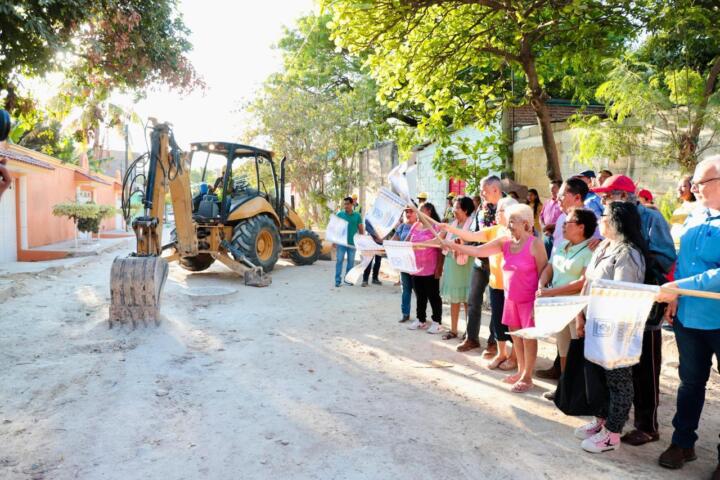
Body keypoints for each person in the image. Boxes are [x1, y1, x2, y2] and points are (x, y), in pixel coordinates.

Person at [593, 174, 676, 446]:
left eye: (609, 195)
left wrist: (636, 257)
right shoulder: (611, 222)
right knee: (620, 367)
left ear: (625, 194)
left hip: (644, 307)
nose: (603, 200)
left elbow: (665, 258)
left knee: (645, 370)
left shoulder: (651, 218)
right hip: (617, 310)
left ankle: (647, 425)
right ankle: (616, 419)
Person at [655, 155, 720, 477]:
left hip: (718, 317)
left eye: (701, 182)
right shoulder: (695, 216)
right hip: (689, 318)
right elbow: (683, 261)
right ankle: (683, 442)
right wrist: (675, 297)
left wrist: (679, 286)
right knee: (690, 383)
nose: (693, 187)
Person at [446, 204, 547, 393]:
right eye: (508, 221)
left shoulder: (535, 244)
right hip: (511, 299)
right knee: (516, 337)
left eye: (512, 221)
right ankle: (520, 371)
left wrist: (539, 298)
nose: (508, 225)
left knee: (529, 338)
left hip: (529, 301)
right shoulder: (505, 242)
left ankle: (527, 376)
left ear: (526, 223)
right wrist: (452, 244)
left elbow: (544, 272)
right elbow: (478, 251)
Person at [574, 201, 648, 453]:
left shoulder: (628, 253)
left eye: (603, 215)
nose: (599, 220)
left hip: (615, 328)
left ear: (616, 221)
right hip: (594, 322)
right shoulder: (604, 246)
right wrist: (581, 316)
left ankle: (613, 433)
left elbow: (622, 295)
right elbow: (588, 282)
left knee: (618, 379)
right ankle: (602, 420)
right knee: (597, 376)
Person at [536, 208, 597, 375]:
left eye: (567, 223)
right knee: (562, 350)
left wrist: (550, 292)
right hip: (558, 304)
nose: (562, 226)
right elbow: (549, 268)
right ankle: (564, 391)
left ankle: (576, 395)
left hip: (576, 307)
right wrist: (542, 284)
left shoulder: (590, 250)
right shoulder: (562, 245)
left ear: (581, 227)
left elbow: (582, 282)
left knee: (576, 352)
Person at [452, 176, 501, 354]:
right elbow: (474, 233)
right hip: (480, 262)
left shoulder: (506, 208)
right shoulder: (481, 208)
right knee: (473, 301)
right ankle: (471, 338)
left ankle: (494, 342)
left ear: (495, 189)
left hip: (498, 264)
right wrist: (463, 241)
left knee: (496, 304)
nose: (481, 193)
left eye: (484, 190)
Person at [438, 196, 476, 338]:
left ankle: (469, 331)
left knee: (467, 299)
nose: (454, 210)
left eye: (457, 207)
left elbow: (474, 244)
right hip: (452, 264)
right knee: (454, 299)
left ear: (465, 210)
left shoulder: (472, 224)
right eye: (454, 207)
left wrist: (459, 245)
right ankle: (453, 330)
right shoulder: (452, 224)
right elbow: (441, 240)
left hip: (467, 264)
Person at [407, 203, 443, 332]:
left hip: (430, 268)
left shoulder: (436, 227)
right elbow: (407, 242)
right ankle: (420, 319)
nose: (417, 214)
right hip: (417, 268)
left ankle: (437, 322)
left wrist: (439, 267)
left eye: (420, 211)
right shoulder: (416, 225)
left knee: (433, 295)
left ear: (428, 212)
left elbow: (440, 248)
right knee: (420, 295)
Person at [334, 197, 364, 288]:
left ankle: (348, 280)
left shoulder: (357, 216)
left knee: (350, 262)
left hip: (352, 243)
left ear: (352, 204)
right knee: (339, 261)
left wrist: (361, 241)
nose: (346, 206)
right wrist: (334, 240)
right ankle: (337, 281)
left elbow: (361, 229)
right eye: (345, 204)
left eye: (347, 204)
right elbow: (335, 228)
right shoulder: (340, 214)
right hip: (341, 243)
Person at [394, 209, 415, 322]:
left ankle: (421, 317)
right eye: (406, 211)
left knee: (419, 291)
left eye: (411, 211)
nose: (408, 214)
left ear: (416, 213)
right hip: (404, 264)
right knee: (406, 290)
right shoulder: (401, 227)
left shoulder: (420, 226)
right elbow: (393, 241)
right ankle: (405, 314)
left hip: (417, 265)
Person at [670, 175, 697, 248]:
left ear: (692, 188)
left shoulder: (698, 207)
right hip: (673, 249)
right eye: (678, 186)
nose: (678, 189)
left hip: (686, 249)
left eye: (683, 186)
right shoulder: (678, 209)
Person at [361, 219, 383, 287]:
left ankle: (375, 278)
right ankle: (365, 280)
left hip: (380, 242)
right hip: (370, 241)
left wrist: (382, 237)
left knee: (378, 261)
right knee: (368, 261)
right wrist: (376, 235)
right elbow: (367, 226)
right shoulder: (370, 215)